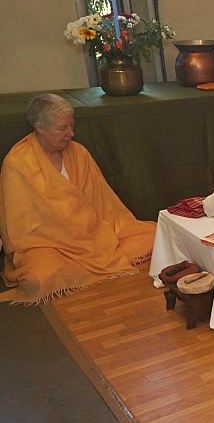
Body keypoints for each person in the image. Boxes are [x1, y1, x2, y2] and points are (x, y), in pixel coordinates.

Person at [0, 93, 155, 304]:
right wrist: (65, 232)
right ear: (40, 128)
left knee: (154, 233)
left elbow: (103, 203)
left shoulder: (79, 153)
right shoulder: (17, 162)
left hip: (93, 233)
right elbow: (20, 224)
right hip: (47, 243)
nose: (70, 133)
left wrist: (86, 231)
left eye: (72, 126)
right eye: (62, 128)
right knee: (39, 278)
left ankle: (80, 267)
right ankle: (81, 265)